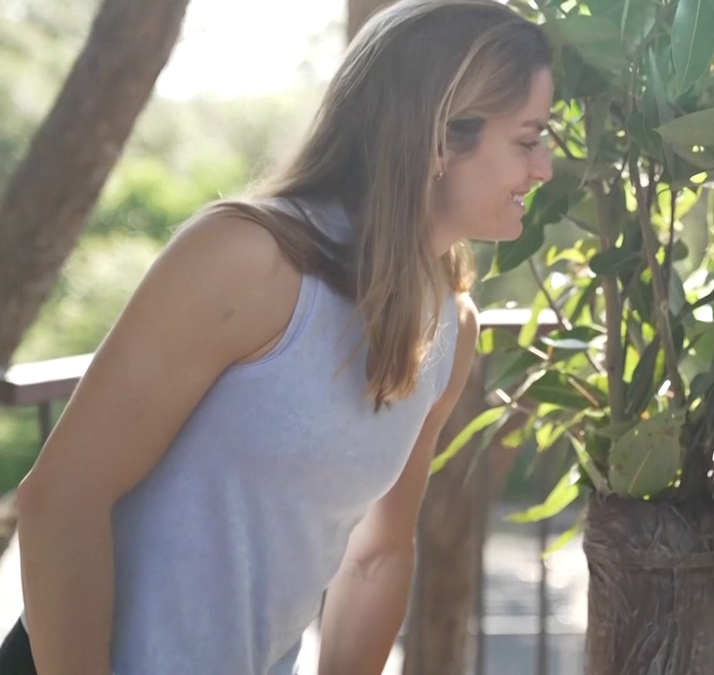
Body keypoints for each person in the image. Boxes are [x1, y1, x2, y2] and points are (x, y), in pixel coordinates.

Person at [1, 0, 555, 672]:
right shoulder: (248, 258)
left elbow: (376, 556)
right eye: (527, 140)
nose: (543, 168)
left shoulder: (449, 327)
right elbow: (61, 496)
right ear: (440, 138)